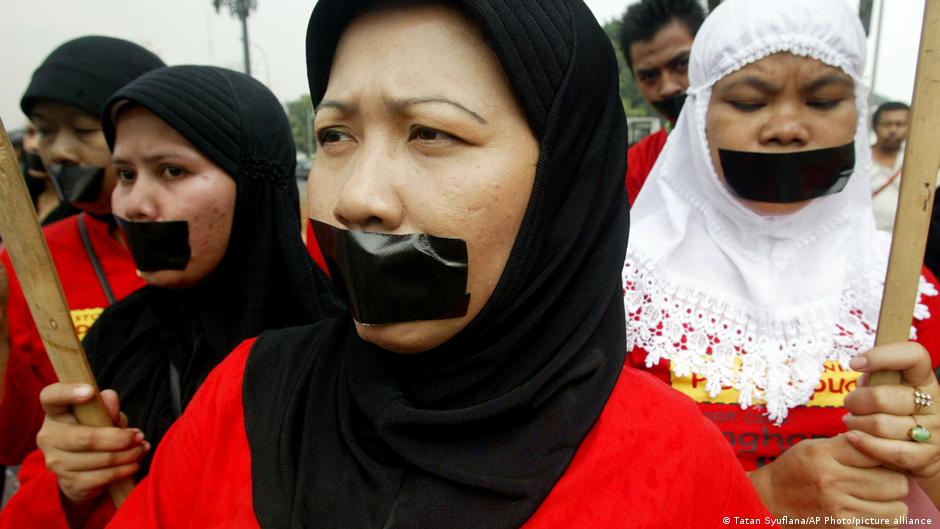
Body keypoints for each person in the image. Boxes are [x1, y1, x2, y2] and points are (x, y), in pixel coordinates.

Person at [105, 1, 769, 528]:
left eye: (431, 133)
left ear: (562, 180)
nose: (358, 197)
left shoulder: (677, 464)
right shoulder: (244, 399)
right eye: (336, 136)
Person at [624, 0, 940, 521]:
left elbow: (928, 445)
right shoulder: (626, 294)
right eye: (750, 103)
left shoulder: (904, 289)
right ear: (700, 119)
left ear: (857, 110)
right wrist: (759, 496)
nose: (788, 127)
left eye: (824, 100)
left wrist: (927, 437)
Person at [0, 65, 340, 529]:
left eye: (172, 170)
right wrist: (69, 487)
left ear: (253, 185)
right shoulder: (113, 340)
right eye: (124, 174)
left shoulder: (344, 351)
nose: (133, 203)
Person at [0, 36, 163, 468]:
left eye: (84, 130)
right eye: (45, 130)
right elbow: (16, 439)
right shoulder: (31, 259)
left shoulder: (201, 246)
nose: (60, 153)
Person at [618, 0, 706, 203]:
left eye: (682, 64)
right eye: (650, 76)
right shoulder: (635, 168)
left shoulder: (769, 141)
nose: (668, 88)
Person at [870, 101, 911, 232]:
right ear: (875, 127)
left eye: (900, 124)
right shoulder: (858, 161)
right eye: (887, 124)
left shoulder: (915, 165)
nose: (893, 130)